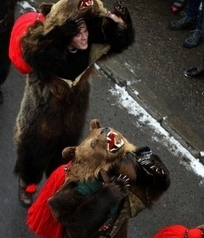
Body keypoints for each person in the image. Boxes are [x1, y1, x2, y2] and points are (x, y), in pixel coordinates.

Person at [13, 0, 134, 208]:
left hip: (73, 114)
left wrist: (122, 26)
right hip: (41, 116)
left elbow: (115, 43)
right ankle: (27, 183)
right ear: (67, 38)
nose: (84, 37)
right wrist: (60, 38)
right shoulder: (44, 45)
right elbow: (40, 63)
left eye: (85, 30)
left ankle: (55, 184)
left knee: (64, 156)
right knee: (33, 154)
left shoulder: (87, 44)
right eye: (77, 34)